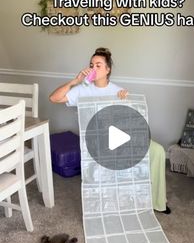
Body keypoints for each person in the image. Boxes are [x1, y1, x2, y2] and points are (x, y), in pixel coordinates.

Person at [49, 47, 170, 214]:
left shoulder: (117, 91)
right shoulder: (82, 89)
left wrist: (126, 101)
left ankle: (157, 201)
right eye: (92, 64)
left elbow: (127, 120)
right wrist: (74, 81)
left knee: (157, 151)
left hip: (119, 136)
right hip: (96, 140)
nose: (93, 68)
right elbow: (54, 98)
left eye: (99, 65)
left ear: (108, 70)